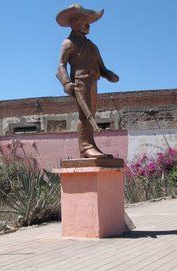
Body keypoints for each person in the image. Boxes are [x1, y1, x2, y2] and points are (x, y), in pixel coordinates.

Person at [55, 4, 119, 159]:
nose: (89, 26)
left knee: (92, 114)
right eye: (85, 22)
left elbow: (101, 67)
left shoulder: (92, 46)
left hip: (93, 82)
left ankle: (91, 144)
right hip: (80, 82)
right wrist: (67, 83)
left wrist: (109, 74)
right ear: (75, 22)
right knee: (85, 115)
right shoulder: (68, 43)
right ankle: (85, 147)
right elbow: (61, 66)